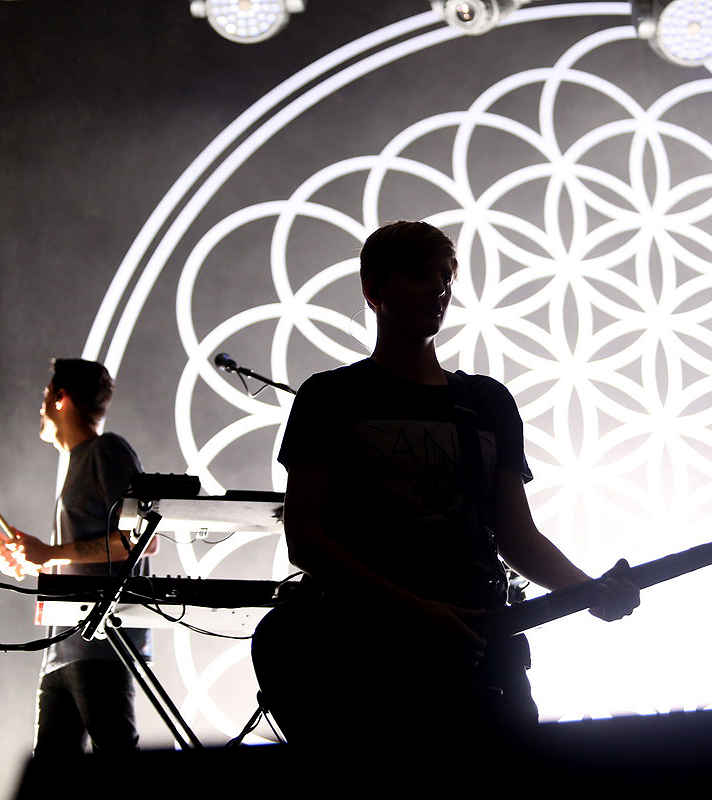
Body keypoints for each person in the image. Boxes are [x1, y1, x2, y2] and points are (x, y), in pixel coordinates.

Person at [257, 221, 640, 735]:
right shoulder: (330, 397)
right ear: (373, 291)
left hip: (480, 652)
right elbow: (305, 540)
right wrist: (414, 612)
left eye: (445, 277)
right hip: (365, 657)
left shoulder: (487, 402)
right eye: (420, 275)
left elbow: (517, 537)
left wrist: (588, 590)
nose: (438, 289)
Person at [0, 358, 154, 755]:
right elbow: (83, 553)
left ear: (59, 398)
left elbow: (140, 541)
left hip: (100, 641)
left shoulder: (106, 450)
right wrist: (35, 559)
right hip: (64, 647)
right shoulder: (78, 461)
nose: (41, 407)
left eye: (44, 395)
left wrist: (51, 552)